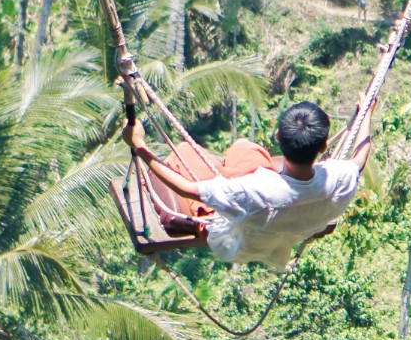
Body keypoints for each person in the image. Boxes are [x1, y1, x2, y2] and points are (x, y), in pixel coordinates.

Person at [126, 100, 372, 267]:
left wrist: (140, 146)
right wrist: (366, 112)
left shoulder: (254, 191)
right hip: (282, 235)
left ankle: (223, 174)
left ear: (277, 137)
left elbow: (185, 188)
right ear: (323, 146)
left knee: (184, 152)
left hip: (236, 243)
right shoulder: (339, 178)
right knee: (247, 149)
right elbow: (360, 158)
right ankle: (232, 167)